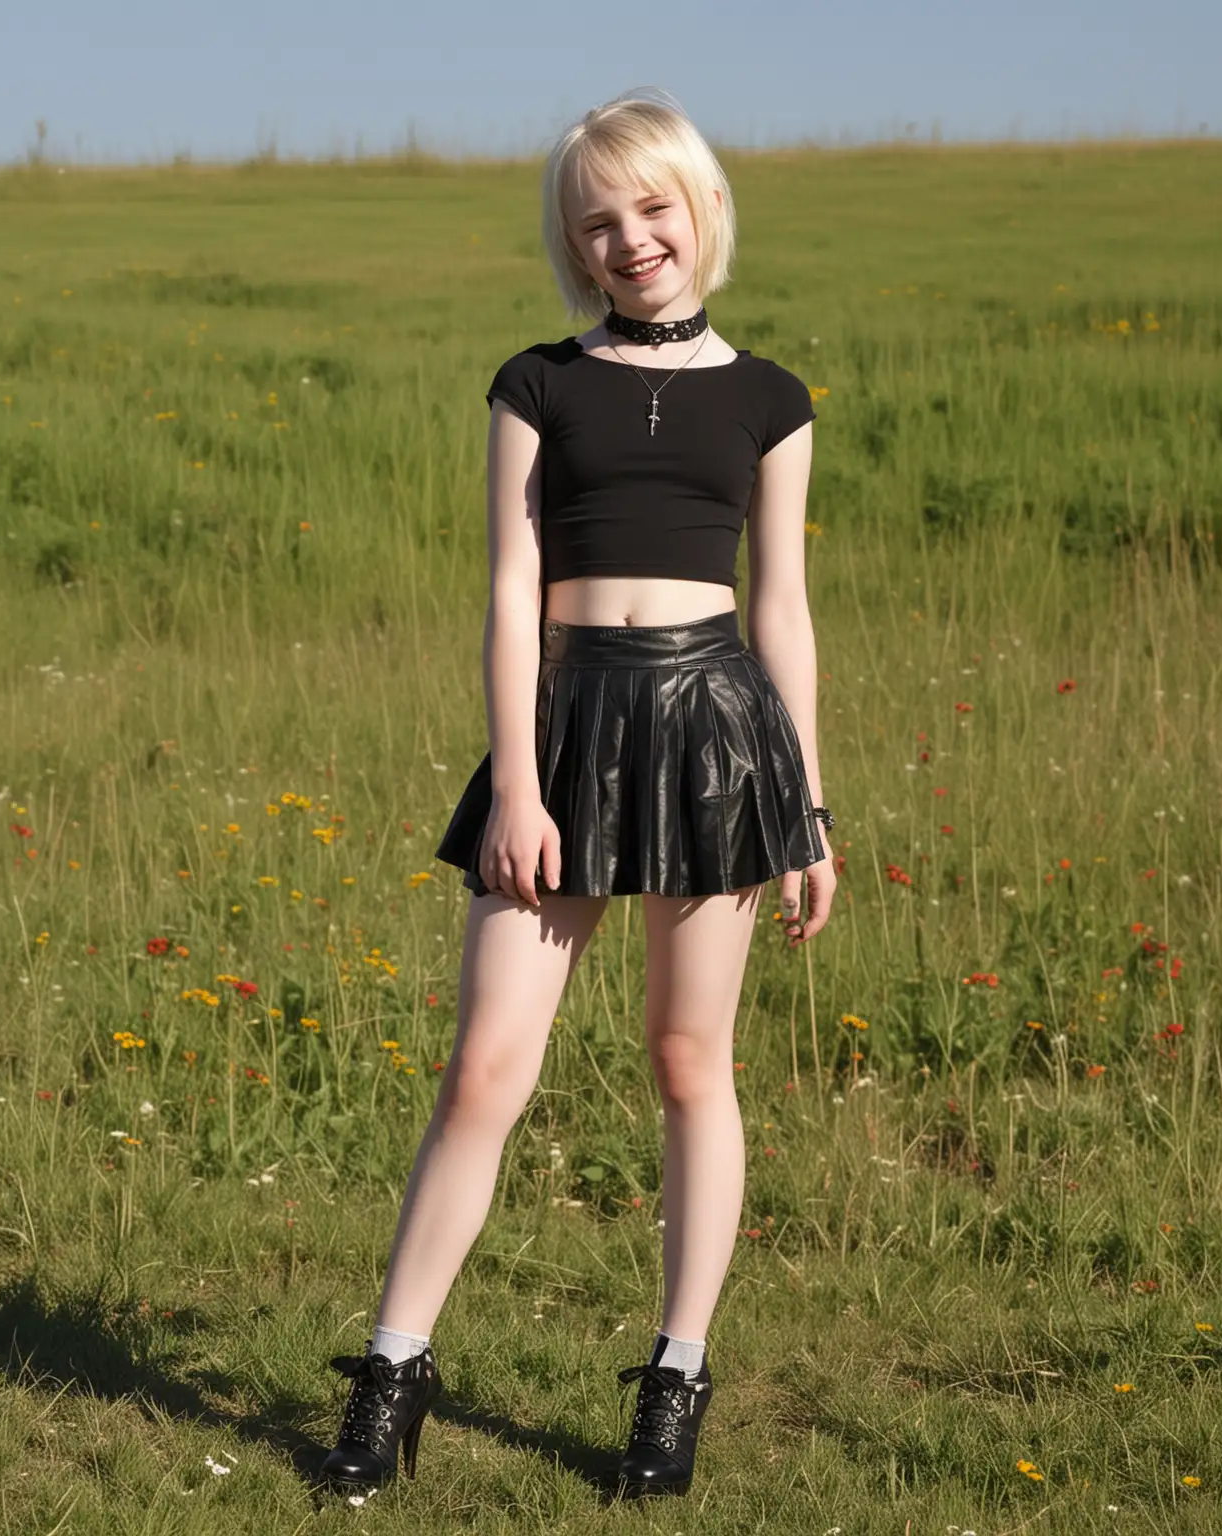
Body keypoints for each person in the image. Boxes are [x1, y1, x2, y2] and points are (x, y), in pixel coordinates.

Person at [320, 85, 837, 1500]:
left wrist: (810, 809)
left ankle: (674, 1380)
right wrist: (518, 783)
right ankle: (391, 1372)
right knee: (485, 1067)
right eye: (598, 222)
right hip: (566, 727)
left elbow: (781, 611)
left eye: (653, 209)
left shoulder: (771, 400)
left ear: (701, 211)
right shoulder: (535, 384)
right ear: (575, 244)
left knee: (690, 1065)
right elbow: (506, 591)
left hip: (719, 735)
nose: (631, 238)